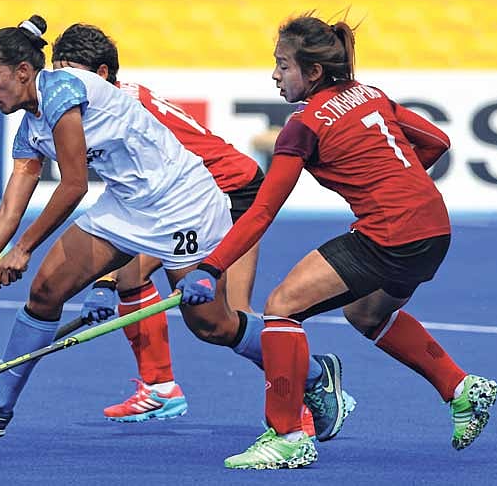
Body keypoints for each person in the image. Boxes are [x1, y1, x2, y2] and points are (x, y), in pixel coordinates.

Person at [0, 15, 347, 446]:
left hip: (183, 203)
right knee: (46, 291)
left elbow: (73, 186)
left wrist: (24, 249)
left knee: (212, 325)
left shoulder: (62, 91)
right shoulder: (30, 130)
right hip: (128, 205)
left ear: (22, 71)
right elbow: (7, 214)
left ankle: (314, 373)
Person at [177, 13, 497, 470]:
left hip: (390, 233)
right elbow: (437, 141)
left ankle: (287, 436)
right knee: (367, 313)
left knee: (282, 307)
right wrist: (391, 188)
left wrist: (210, 268)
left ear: (312, 72)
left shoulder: (303, 127)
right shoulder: (370, 94)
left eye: (283, 65)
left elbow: (262, 211)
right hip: (433, 229)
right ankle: (459, 387)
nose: (274, 76)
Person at [52, 23, 354, 433]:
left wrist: (100, 279)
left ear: (101, 74)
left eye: (69, 75)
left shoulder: (120, 113)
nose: (60, 87)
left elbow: (136, 207)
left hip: (231, 195)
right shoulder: (105, 104)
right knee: (131, 276)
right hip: (186, 201)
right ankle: (160, 388)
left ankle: (310, 389)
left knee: (229, 318)